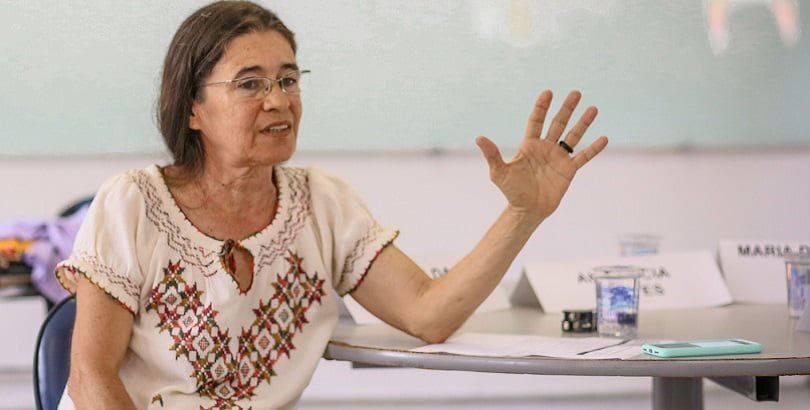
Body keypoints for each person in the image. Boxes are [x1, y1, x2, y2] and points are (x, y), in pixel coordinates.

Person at [54, 1, 608, 409]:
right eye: (250, 84)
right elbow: (91, 379)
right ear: (192, 108)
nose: (278, 100)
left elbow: (429, 315)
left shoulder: (321, 204)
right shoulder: (133, 202)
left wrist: (523, 213)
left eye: (288, 79)